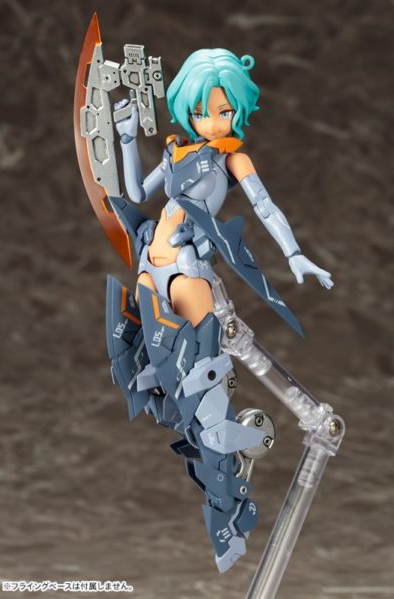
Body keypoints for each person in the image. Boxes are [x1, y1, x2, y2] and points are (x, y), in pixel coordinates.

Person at [108, 48, 333, 572]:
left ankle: (229, 506)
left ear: (237, 112)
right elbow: (136, 191)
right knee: (142, 372)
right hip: (150, 266)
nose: (213, 121)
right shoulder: (177, 152)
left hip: (188, 273)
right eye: (203, 111)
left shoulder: (231, 159)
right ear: (187, 110)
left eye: (225, 111)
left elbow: (266, 207)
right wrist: (125, 138)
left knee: (201, 382)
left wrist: (294, 254)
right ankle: (215, 453)